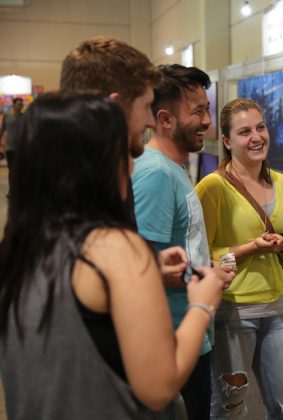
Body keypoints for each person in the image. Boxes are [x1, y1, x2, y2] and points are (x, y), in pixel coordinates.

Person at [0, 92, 233, 419]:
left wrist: (148, 268)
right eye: (124, 151)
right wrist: (201, 305)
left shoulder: (23, 247)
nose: (132, 164)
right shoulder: (112, 247)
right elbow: (159, 384)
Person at [195, 98, 283, 419]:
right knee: (231, 410)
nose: (256, 137)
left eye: (261, 127)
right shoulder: (212, 188)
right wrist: (249, 249)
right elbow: (202, 257)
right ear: (227, 141)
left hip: (278, 309)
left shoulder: (282, 184)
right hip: (232, 313)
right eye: (244, 132)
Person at [131, 64, 217, 420]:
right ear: (164, 119)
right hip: (172, 341)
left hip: (190, 335)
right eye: (197, 111)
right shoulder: (156, 174)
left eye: (206, 109)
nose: (207, 121)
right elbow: (140, 269)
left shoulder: (173, 168)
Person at [60, 36, 162, 228]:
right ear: (114, 107)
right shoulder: (85, 197)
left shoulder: (61, 178)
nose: (151, 122)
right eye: (146, 106)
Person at [0, 97, 24, 193]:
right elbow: (2, 130)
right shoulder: (7, 115)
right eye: (18, 104)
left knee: (20, 169)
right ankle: (12, 190)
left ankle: (19, 189)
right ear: (13, 105)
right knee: (12, 170)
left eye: (21, 104)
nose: (20, 106)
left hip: (21, 147)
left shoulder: (24, 117)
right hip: (9, 147)